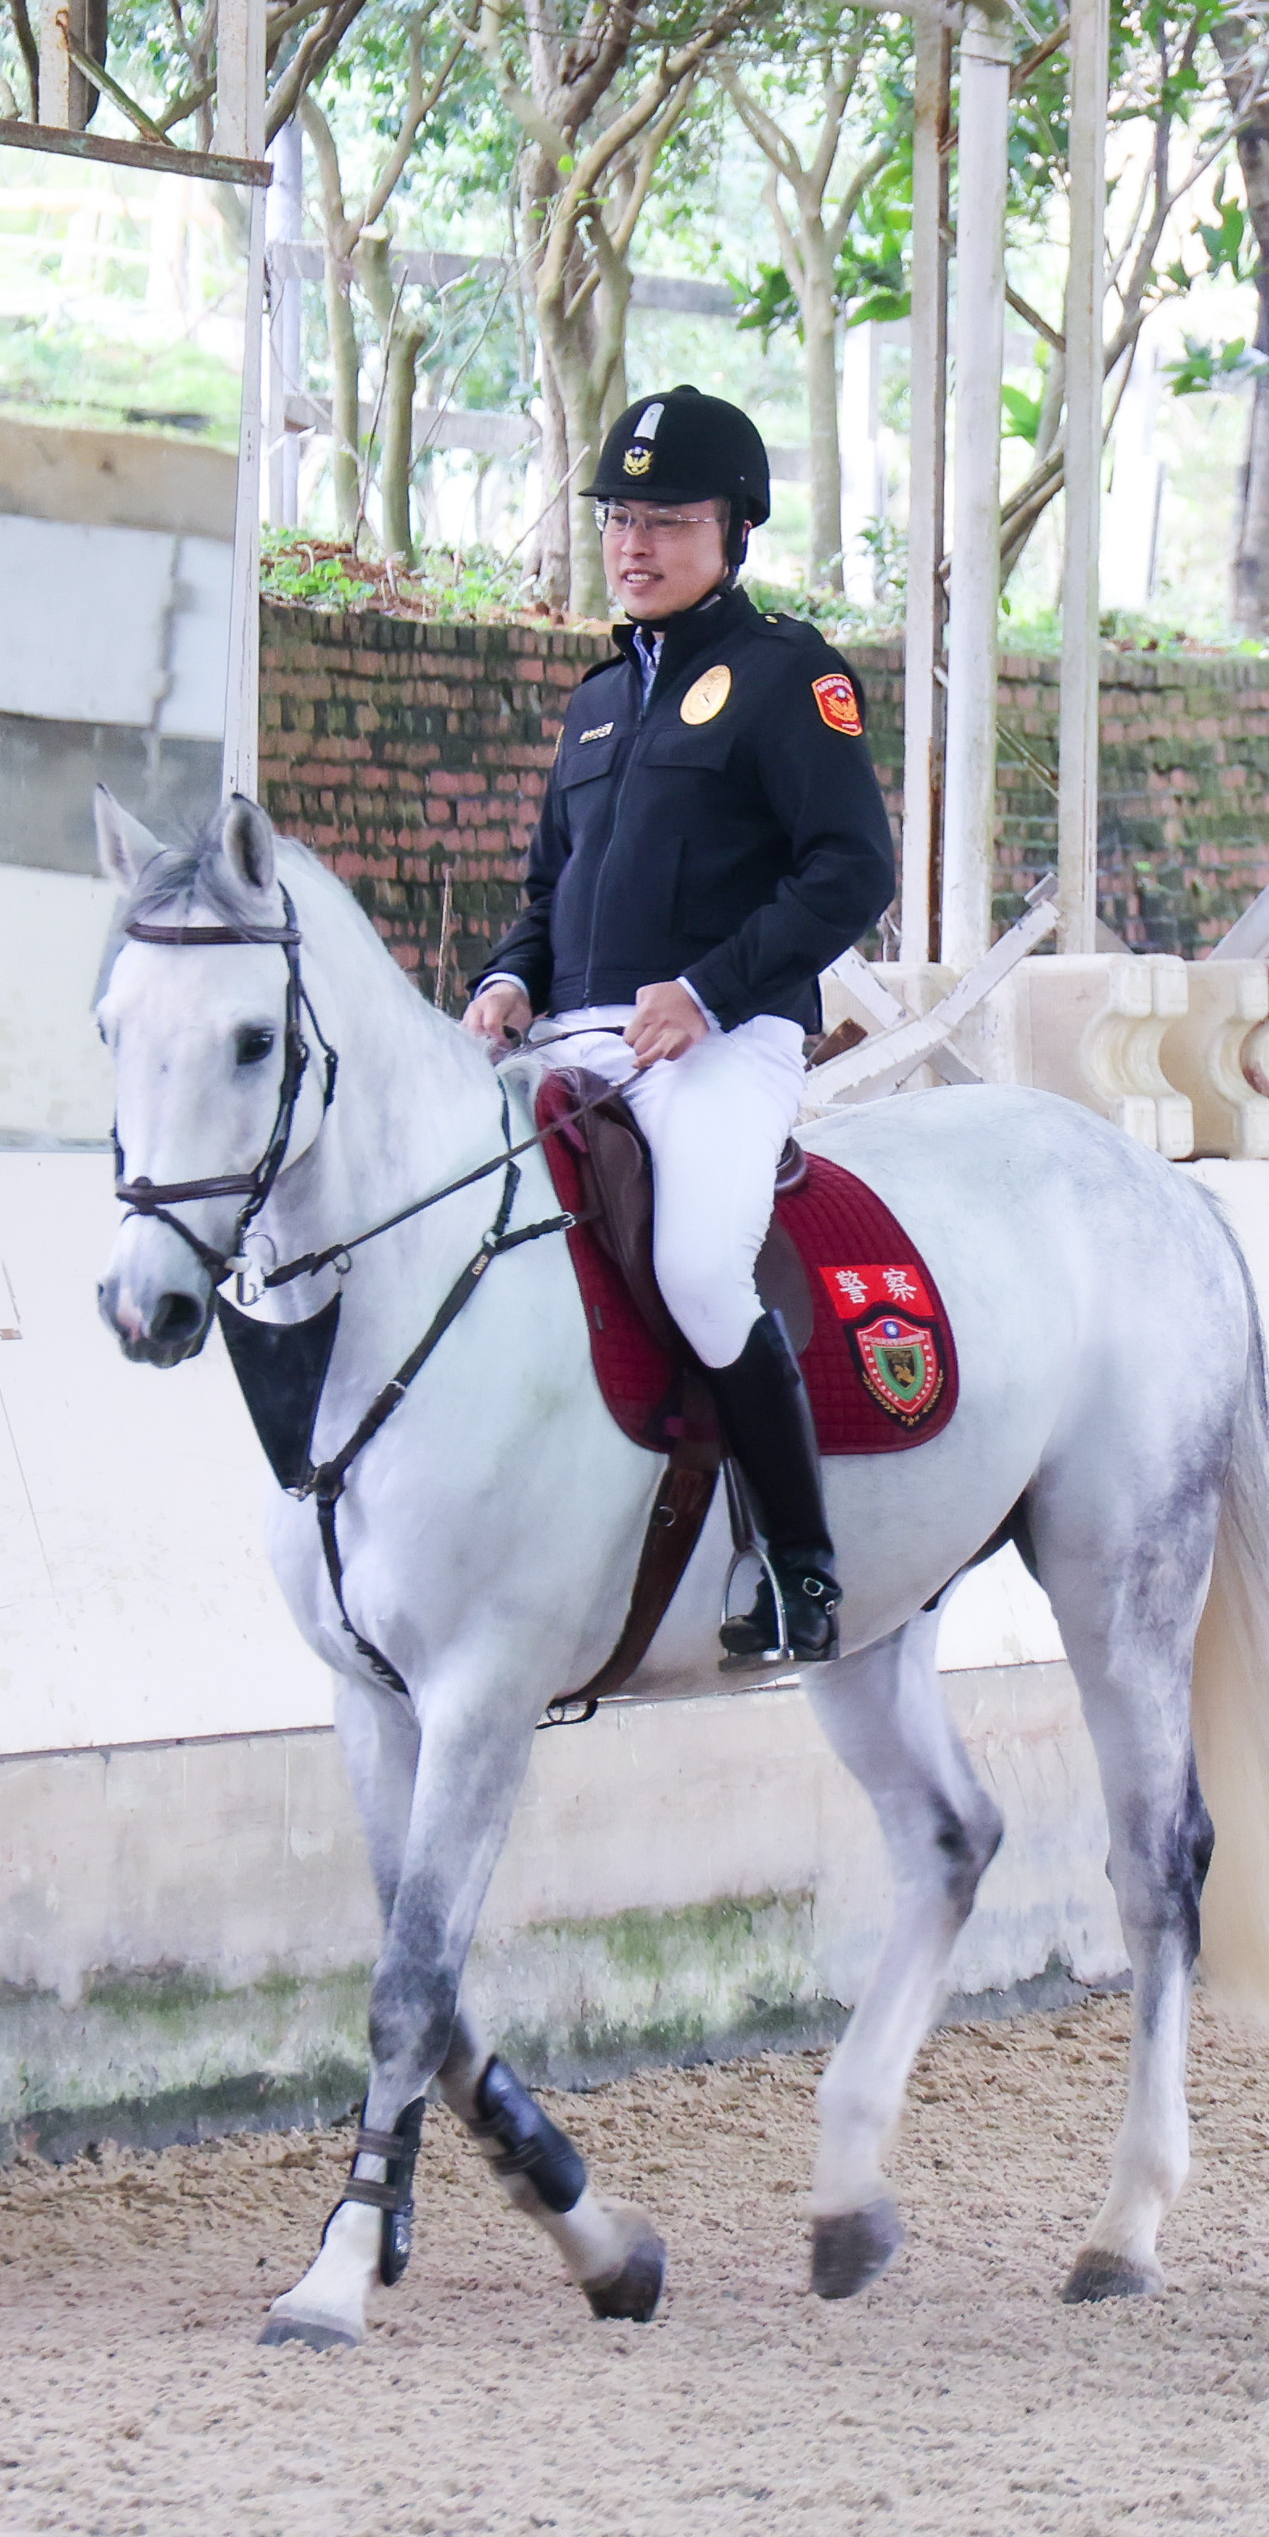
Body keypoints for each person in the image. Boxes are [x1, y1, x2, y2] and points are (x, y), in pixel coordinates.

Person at [465, 387, 899, 1664]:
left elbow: (848, 869)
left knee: (703, 1268)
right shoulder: (594, 704)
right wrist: (506, 978)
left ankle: (801, 1566)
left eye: (666, 519)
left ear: (735, 530)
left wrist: (707, 990)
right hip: (580, 1038)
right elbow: (551, 892)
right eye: (618, 518)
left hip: (725, 1041)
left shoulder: (788, 678)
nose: (634, 543)